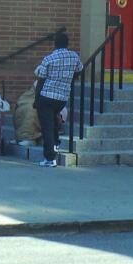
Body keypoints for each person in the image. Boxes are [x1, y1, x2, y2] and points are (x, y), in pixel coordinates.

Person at [33, 28, 83, 167]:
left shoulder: (49, 58)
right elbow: (80, 69)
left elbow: (40, 78)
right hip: (62, 97)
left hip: (46, 95)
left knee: (47, 126)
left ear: (55, 44)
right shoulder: (74, 56)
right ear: (67, 44)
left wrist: (36, 99)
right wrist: (70, 79)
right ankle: (55, 144)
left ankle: (50, 158)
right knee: (54, 121)